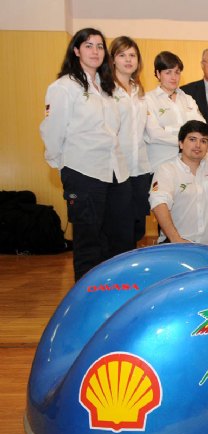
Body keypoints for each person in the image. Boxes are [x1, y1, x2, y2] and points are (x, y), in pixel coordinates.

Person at [40, 27, 133, 281]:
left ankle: (113, 293)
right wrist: (63, 167)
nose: (95, 51)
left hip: (115, 173)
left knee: (118, 240)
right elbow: (52, 130)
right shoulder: (63, 87)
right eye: (89, 45)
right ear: (76, 50)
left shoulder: (107, 88)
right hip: (83, 171)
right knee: (88, 243)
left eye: (100, 46)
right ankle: (87, 299)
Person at [149, 120, 208, 246]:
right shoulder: (167, 170)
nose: (198, 145)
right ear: (181, 143)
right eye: (192, 139)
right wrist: (175, 239)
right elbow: (158, 203)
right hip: (177, 245)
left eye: (203, 141)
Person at [109, 36, 152, 245]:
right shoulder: (106, 89)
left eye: (132, 55)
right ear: (113, 59)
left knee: (138, 226)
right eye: (122, 54)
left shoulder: (139, 90)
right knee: (119, 228)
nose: (128, 59)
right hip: (117, 169)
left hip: (141, 168)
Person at [145, 51, 205, 171]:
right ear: (158, 74)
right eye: (168, 72)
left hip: (189, 166)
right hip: (160, 166)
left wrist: (169, 129)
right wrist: (189, 139)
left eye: (177, 72)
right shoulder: (147, 99)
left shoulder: (188, 99)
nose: (174, 77)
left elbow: (201, 128)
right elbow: (155, 134)